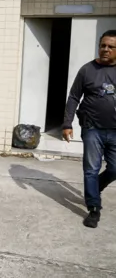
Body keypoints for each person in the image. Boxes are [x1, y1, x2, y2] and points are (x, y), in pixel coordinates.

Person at [62, 30, 116, 229]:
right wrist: (67, 124)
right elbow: (74, 96)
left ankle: (97, 186)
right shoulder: (87, 70)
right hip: (92, 128)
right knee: (91, 169)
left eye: (111, 47)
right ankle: (94, 208)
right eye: (103, 45)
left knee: (114, 168)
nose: (105, 50)